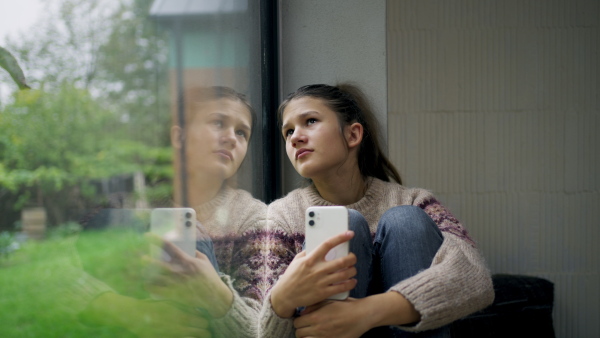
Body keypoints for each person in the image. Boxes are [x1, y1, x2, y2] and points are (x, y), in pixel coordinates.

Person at [259, 83, 494, 337]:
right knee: (347, 223)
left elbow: (474, 278)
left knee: (405, 220)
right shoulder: (279, 217)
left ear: (353, 135)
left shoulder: (416, 202)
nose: (295, 137)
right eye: (288, 131)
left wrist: (366, 312)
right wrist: (282, 299)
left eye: (311, 121)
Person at [78, 86, 266, 338]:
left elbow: (264, 328)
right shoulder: (130, 206)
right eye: (218, 123)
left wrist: (214, 293)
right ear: (179, 138)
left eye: (242, 132)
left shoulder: (255, 218)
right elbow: (59, 279)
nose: (232, 138)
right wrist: (128, 311)